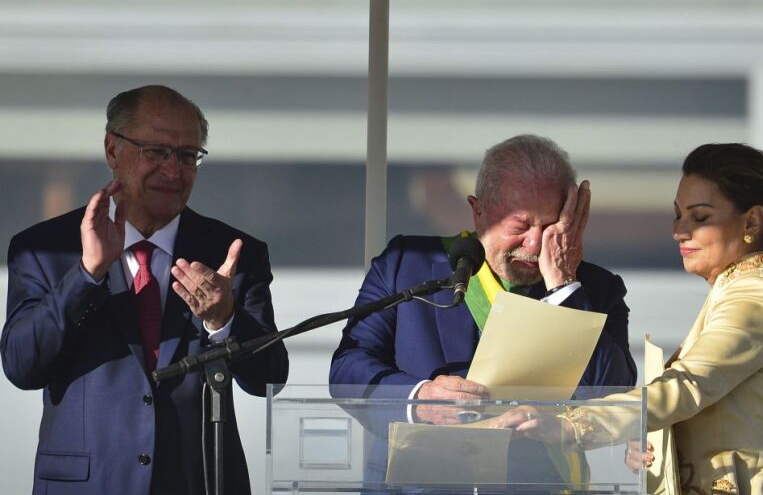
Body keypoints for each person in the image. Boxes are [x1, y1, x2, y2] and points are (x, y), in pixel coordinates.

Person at [1, 85, 289, 495]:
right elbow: (22, 366)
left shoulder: (232, 254)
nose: (173, 171)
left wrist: (223, 321)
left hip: (197, 481)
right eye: (155, 152)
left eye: (188, 155)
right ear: (112, 150)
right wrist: (87, 274)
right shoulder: (45, 248)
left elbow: (269, 379)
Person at [493, 143, 763, 494]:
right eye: (678, 215)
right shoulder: (746, 289)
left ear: (751, 221)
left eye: (701, 217)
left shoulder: (758, 293)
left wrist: (569, 425)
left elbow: (687, 385)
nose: (680, 231)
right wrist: (659, 444)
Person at [328, 134, 637, 486]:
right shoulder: (407, 265)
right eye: (520, 226)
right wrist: (419, 397)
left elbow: (612, 396)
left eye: (551, 227)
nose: (535, 244)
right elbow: (346, 371)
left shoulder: (595, 291)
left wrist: (564, 285)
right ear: (479, 212)